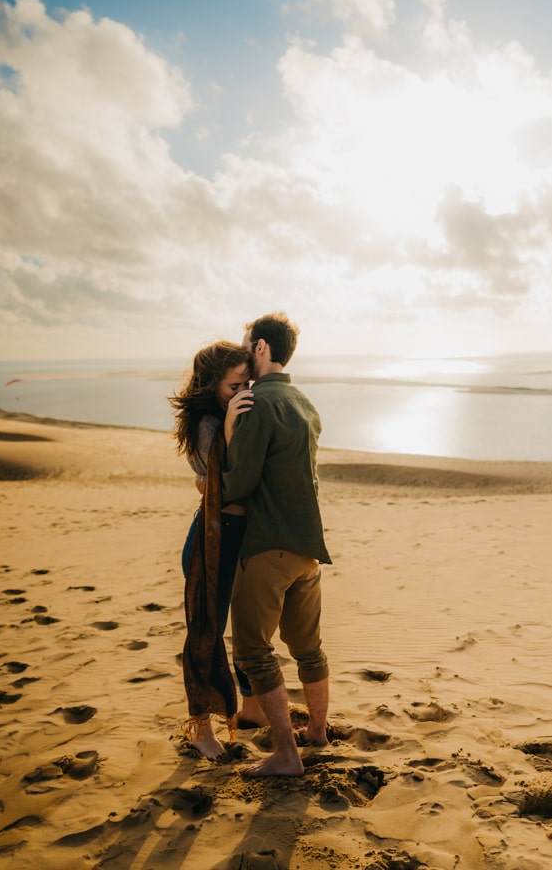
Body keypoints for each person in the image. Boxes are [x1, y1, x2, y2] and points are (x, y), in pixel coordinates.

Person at [222, 313, 332, 777]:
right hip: (308, 549)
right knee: (308, 648)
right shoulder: (304, 402)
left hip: (267, 546)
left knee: (250, 651)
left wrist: (228, 433)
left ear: (262, 348)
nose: (243, 353)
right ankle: (318, 734)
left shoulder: (257, 401)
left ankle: (287, 754)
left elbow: (237, 483)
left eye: (247, 345)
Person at [169, 341, 265, 758]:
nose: (242, 392)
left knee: (245, 628)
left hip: (234, 532)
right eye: (234, 386)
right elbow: (218, 481)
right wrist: (228, 427)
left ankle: (253, 709)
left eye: (247, 384)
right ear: (211, 385)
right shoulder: (207, 422)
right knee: (206, 631)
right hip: (213, 537)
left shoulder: (227, 411)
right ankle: (202, 730)